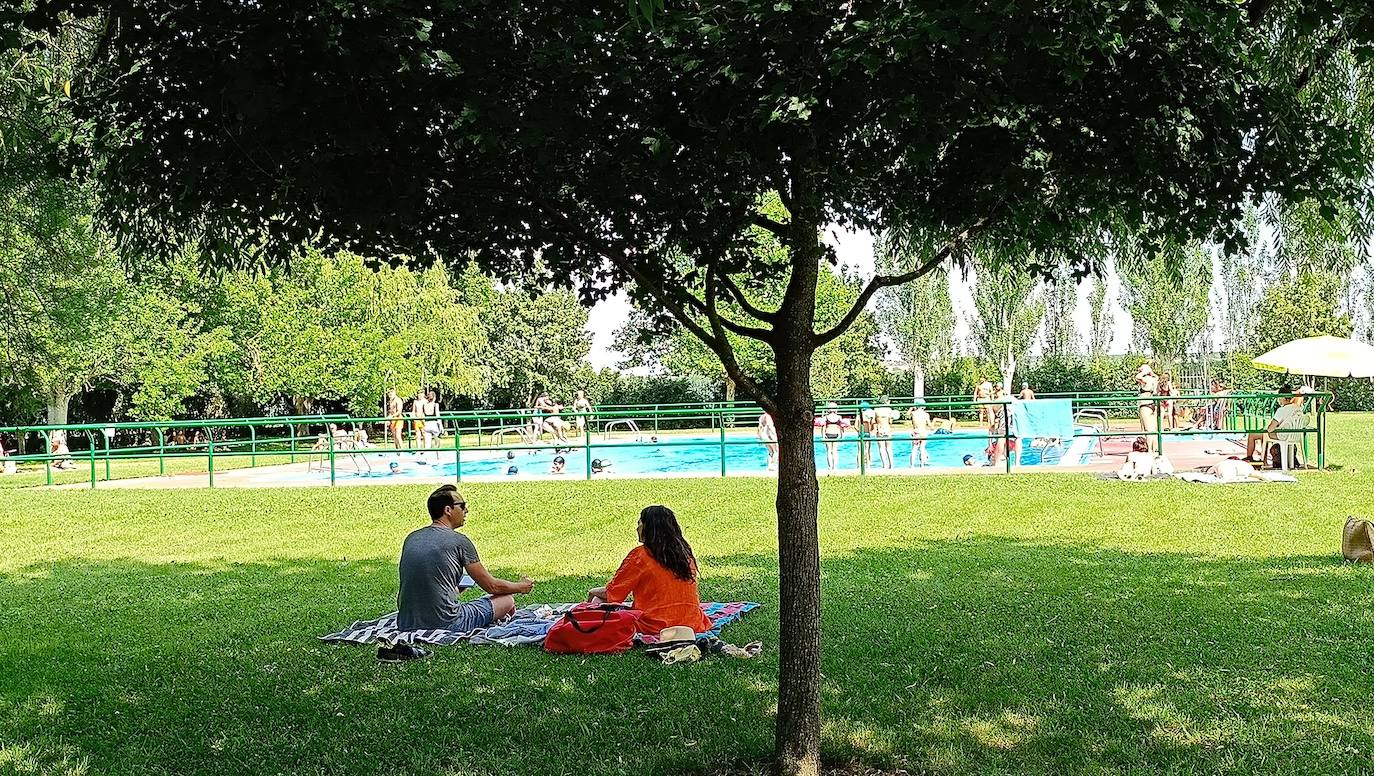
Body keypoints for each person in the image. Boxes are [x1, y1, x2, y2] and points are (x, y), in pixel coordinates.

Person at [387, 485, 534, 661]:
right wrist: (521, 587)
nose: (467, 510)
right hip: (448, 623)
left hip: (406, 622)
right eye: (462, 505)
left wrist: (454, 590)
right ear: (448, 510)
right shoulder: (459, 541)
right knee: (507, 600)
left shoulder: (412, 537)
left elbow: (424, 582)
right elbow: (492, 586)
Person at [586, 505, 712, 634]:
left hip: (655, 625)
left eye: (639, 523)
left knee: (598, 602)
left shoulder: (640, 555)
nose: (637, 528)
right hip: (692, 624)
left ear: (648, 527)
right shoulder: (685, 554)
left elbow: (613, 594)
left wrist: (592, 593)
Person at [1245, 385, 1311, 466]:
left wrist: (1267, 428)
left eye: (1279, 397)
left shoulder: (1281, 410)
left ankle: (1250, 458)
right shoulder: (1298, 408)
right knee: (1264, 435)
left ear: (1282, 397)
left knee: (1253, 434)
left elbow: (1271, 428)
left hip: (1282, 435)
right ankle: (1263, 461)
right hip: (1295, 435)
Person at [814, 402, 849, 471]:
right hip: (836, 434)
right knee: (834, 451)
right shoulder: (838, 417)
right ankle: (834, 467)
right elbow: (841, 427)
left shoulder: (826, 417)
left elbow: (823, 427)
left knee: (829, 451)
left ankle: (830, 467)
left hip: (828, 434)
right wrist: (841, 435)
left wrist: (823, 436)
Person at [1135, 363, 1159, 452]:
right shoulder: (1154, 379)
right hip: (1152, 404)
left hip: (1145, 404)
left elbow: (1137, 377)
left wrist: (1145, 371)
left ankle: (1149, 450)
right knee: (1153, 429)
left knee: (1148, 430)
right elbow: (1156, 377)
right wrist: (1151, 372)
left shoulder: (1145, 379)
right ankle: (1155, 448)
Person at [872, 397, 896, 469]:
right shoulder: (889, 410)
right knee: (889, 447)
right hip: (887, 429)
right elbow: (890, 422)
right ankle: (891, 464)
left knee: (881, 448)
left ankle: (884, 465)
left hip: (880, 429)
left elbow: (874, 421)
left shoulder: (876, 410)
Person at [909, 401, 931, 467]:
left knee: (914, 449)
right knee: (922, 448)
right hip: (923, 432)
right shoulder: (926, 414)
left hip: (916, 432)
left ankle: (912, 465)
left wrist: (911, 408)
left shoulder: (913, 413)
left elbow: (907, 414)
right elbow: (929, 424)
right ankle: (922, 465)